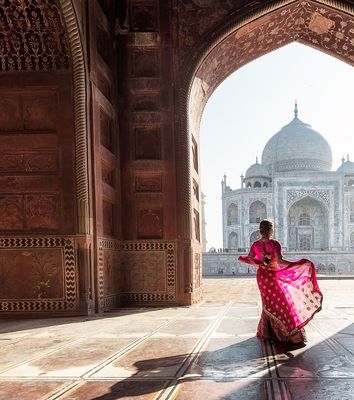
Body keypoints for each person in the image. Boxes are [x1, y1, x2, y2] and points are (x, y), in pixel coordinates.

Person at [239, 219, 323, 344]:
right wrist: (295, 264)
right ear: (271, 230)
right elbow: (280, 261)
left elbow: (250, 258)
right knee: (282, 301)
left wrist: (259, 263)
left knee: (268, 303)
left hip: (262, 276)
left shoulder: (255, 245)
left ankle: (268, 331)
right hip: (272, 275)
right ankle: (288, 332)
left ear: (261, 230)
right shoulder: (274, 244)